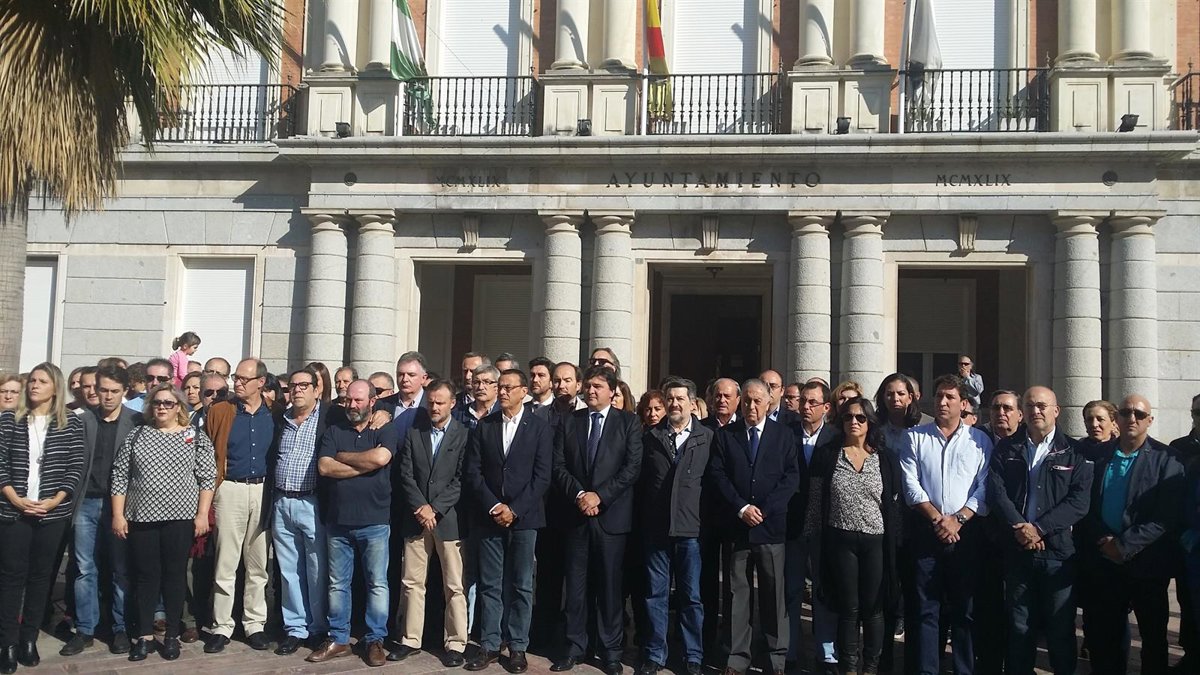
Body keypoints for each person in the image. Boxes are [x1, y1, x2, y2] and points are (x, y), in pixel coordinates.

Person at [986, 386, 1093, 675]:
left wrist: (1040, 528)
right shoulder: (1006, 449)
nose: (1036, 411)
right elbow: (997, 493)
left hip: (1057, 552)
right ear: (1023, 411)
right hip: (1018, 550)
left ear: (1056, 411)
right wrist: (1021, 529)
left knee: (1060, 627)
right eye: (1030, 405)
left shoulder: (1074, 452)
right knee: (1020, 626)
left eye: (1042, 405)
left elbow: (1079, 502)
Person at [1078, 394, 1184, 675]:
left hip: (1148, 564)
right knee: (1105, 637)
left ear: (1150, 420)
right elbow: (1085, 505)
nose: (1132, 418)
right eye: (1126, 413)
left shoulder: (1168, 459)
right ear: (1117, 419)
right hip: (1104, 562)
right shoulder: (1098, 456)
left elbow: (1166, 516)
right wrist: (1104, 541)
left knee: (1152, 638)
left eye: (1139, 414)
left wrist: (1124, 545)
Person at [110, 384, 215, 662]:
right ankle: (144, 635)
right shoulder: (137, 435)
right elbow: (120, 475)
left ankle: (171, 635)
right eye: (157, 402)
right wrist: (118, 514)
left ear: (179, 407)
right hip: (142, 517)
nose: (162, 407)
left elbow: (207, 477)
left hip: (179, 518)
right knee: (146, 577)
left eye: (169, 403)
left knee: (174, 575)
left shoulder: (194, 436)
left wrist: (202, 514)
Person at [898, 374, 993, 675]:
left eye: (950, 397)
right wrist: (939, 519)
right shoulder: (915, 437)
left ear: (964, 404)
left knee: (964, 609)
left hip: (965, 535)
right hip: (927, 532)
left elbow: (984, 487)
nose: (942, 401)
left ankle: (964, 669)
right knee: (926, 609)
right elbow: (911, 485)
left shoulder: (980, 441)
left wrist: (959, 519)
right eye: (939, 395)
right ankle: (928, 670)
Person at [551, 366, 644, 675]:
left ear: (612, 391)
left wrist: (600, 496)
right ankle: (575, 647)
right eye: (588, 385)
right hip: (576, 517)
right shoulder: (570, 421)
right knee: (576, 588)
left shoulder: (628, 422)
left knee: (610, 588)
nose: (591, 391)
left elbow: (632, 467)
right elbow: (559, 465)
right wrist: (580, 495)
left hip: (611, 518)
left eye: (598, 386)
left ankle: (611, 651)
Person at [463, 369, 554, 673]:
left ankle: (517, 646)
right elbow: (473, 472)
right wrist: (494, 506)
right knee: (490, 584)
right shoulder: (485, 426)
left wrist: (514, 509)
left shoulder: (539, 427)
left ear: (523, 392)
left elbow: (542, 476)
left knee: (521, 585)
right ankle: (490, 644)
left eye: (508, 387)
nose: (501, 392)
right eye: (499, 387)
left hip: (525, 518)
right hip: (490, 518)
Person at [804, 397, 903, 675]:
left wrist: (896, 544)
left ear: (870, 422)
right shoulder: (828, 455)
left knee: (873, 608)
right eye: (848, 417)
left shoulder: (885, 458)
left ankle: (870, 667)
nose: (854, 422)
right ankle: (849, 667)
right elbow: (815, 501)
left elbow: (894, 506)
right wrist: (813, 539)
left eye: (860, 417)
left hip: (875, 541)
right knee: (848, 607)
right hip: (840, 540)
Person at [708, 378, 799, 675]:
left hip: (771, 527)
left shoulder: (784, 435)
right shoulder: (726, 435)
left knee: (773, 595)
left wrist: (765, 510)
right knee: (737, 594)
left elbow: (791, 477)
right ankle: (737, 657)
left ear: (769, 402)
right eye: (746, 400)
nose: (751, 406)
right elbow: (718, 475)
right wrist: (741, 508)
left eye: (757, 400)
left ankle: (776, 659)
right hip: (737, 527)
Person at [0, 363, 85, 674]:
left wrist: (54, 500)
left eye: (42, 381)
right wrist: (14, 498)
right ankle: (8, 643)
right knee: (11, 577)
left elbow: (75, 466)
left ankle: (28, 638)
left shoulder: (70, 423)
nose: (34, 385)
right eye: (32, 380)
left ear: (55, 387)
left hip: (52, 513)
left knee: (40, 577)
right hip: (14, 510)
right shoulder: (9, 419)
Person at [307, 380, 399, 667]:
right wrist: (364, 465)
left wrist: (344, 458)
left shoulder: (385, 429)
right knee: (338, 584)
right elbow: (324, 467)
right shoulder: (334, 430)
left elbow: (381, 458)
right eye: (348, 400)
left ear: (372, 401)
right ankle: (339, 638)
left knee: (377, 583)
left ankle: (375, 640)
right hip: (339, 521)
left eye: (358, 400)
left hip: (375, 520)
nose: (352, 405)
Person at [62, 366, 140, 657]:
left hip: (121, 506)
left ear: (125, 392)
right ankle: (85, 629)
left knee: (120, 569)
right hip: (87, 502)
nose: (107, 396)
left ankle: (120, 628)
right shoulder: (82, 420)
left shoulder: (136, 421)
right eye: (103, 389)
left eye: (114, 391)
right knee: (85, 568)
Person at [391, 379, 470, 666]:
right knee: (412, 582)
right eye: (431, 402)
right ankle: (410, 639)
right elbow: (406, 474)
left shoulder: (464, 435)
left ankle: (456, 643)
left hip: (448, 520)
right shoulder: (415, 432)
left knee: (454, 585)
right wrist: (420, 507)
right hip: (416, 519)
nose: (434, 407)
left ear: (453, 404)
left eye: (440, 402)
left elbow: (461, 478)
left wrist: (435, 508)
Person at [637, 379, 712, 675]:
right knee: (655, 595)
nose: (675, 404)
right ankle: (655, 655)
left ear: (692, 403)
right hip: (657, 530)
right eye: (670, 398)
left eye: (680, 399)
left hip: (691, 530)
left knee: (690, 596)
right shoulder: (651, 437)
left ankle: (693, 656)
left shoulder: (707, 437)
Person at [203, 358, 276, 653]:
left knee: (258, 563)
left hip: (263, 490)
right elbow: (208, 452)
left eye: (245, 378)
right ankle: (221, 625)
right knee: (226, 562)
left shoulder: (275, 414)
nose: (238, 382)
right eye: (236, 377)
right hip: (230, 488)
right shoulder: (221, 411)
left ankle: (254, 624)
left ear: (261, 382)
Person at [270, 367, 332, 656]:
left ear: (317, 390)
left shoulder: (329, 417)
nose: (297, 390)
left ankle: (318, 627)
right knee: (289, 569)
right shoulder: (281, 419)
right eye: (293, 385)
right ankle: (295, 627)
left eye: (304, 385)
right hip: (282, 501)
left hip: (312, 502)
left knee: (317, 568)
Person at [787, 380, 838, 671]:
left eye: (812, 402)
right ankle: (789, 651)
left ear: (826, 407)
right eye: (802, 401)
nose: (805, 407)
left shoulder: (835, 438)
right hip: (792, 525)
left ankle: (826, 652)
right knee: (791, 590)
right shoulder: (786, 434)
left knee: (823, 590)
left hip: (823, 526)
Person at [453, 364, 500, 431]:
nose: (480, 387)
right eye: (476, 382)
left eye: (486, 382)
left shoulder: (504, 414)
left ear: (497, 386)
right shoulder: (457, 414)